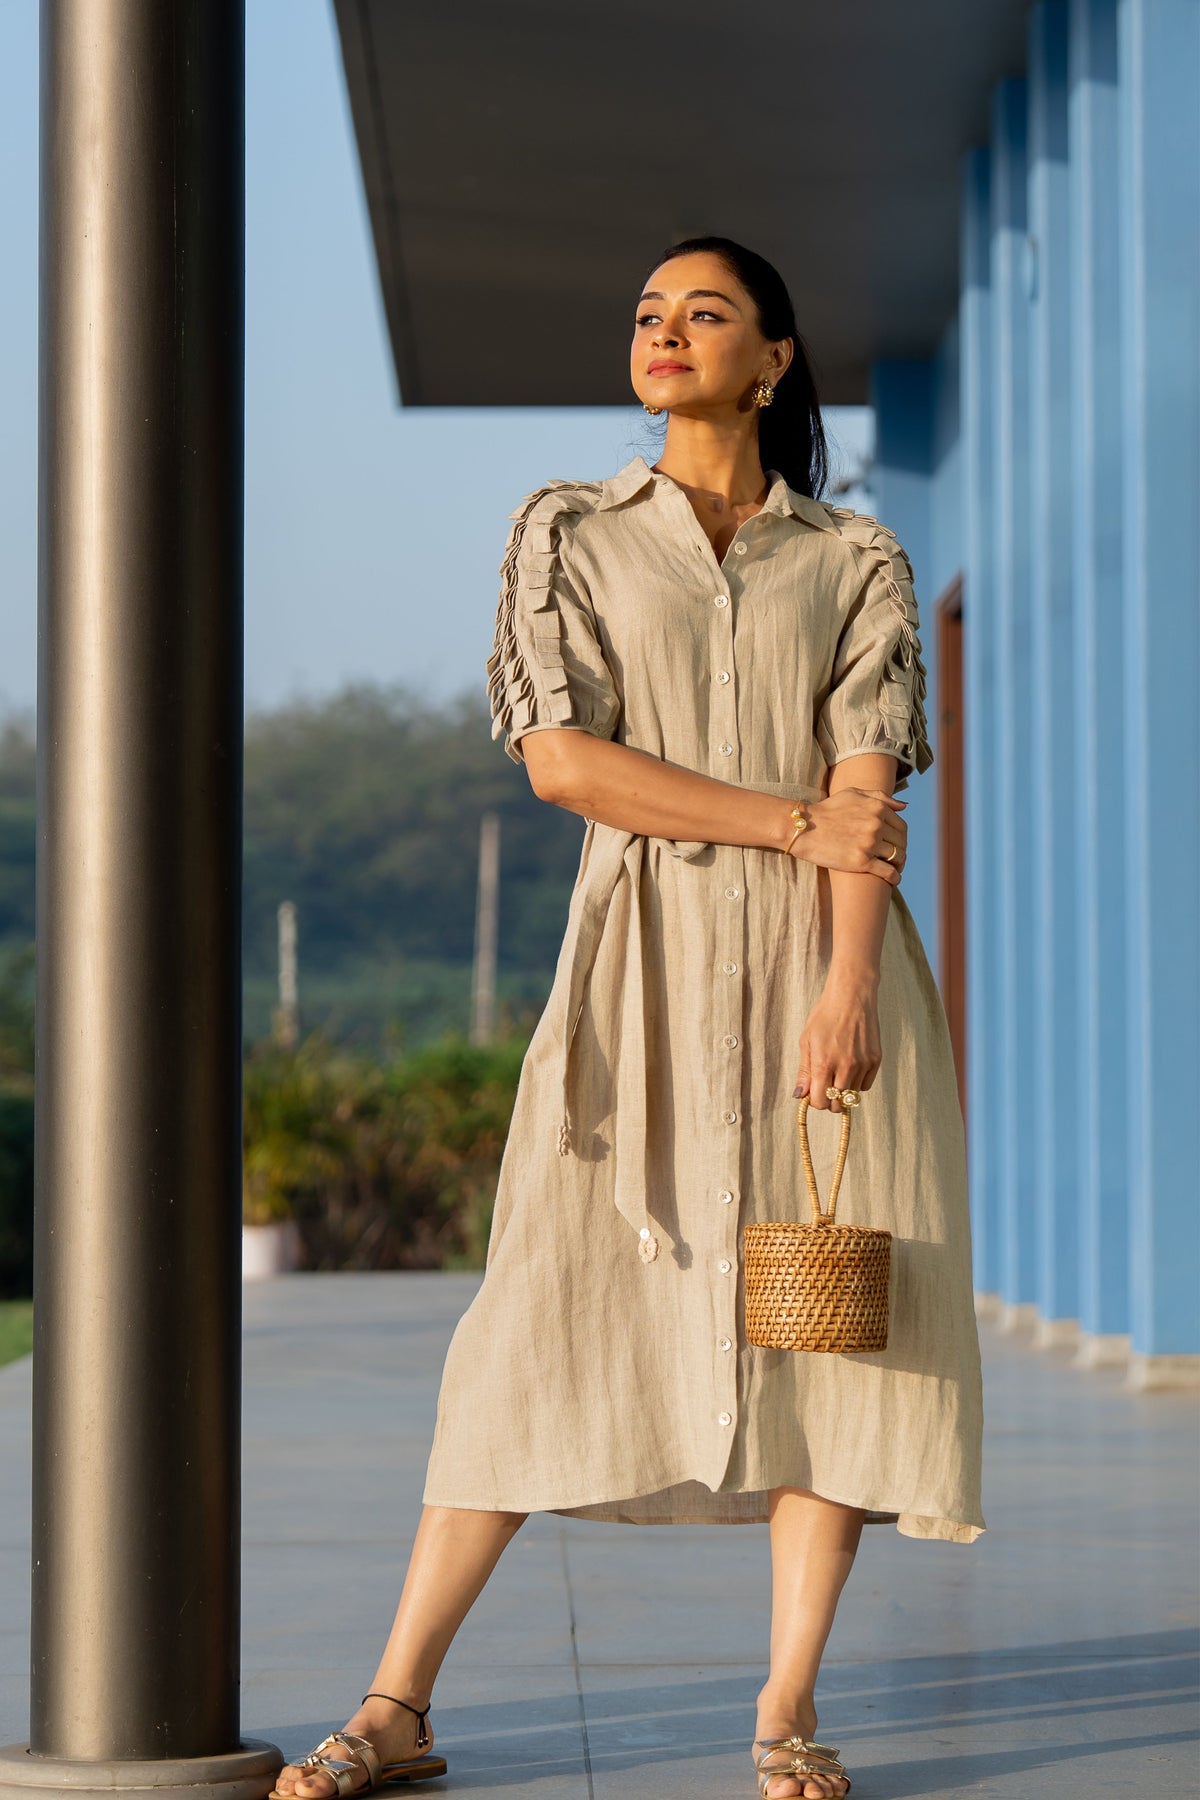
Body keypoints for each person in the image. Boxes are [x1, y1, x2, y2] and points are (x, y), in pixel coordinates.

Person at [270, 235, 985, 1800]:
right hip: (637, 974)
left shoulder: (852, 561)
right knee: (534, 1321)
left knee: (832, 1329)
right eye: (649, 313)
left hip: (823, 976)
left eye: (704, 312)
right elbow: (565, 763)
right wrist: (789, 826)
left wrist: (849, 982)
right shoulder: (569, 531)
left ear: (776, 357)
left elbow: (867, 801)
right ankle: (399, 1705)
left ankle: (785, 1708)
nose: (664, 333)